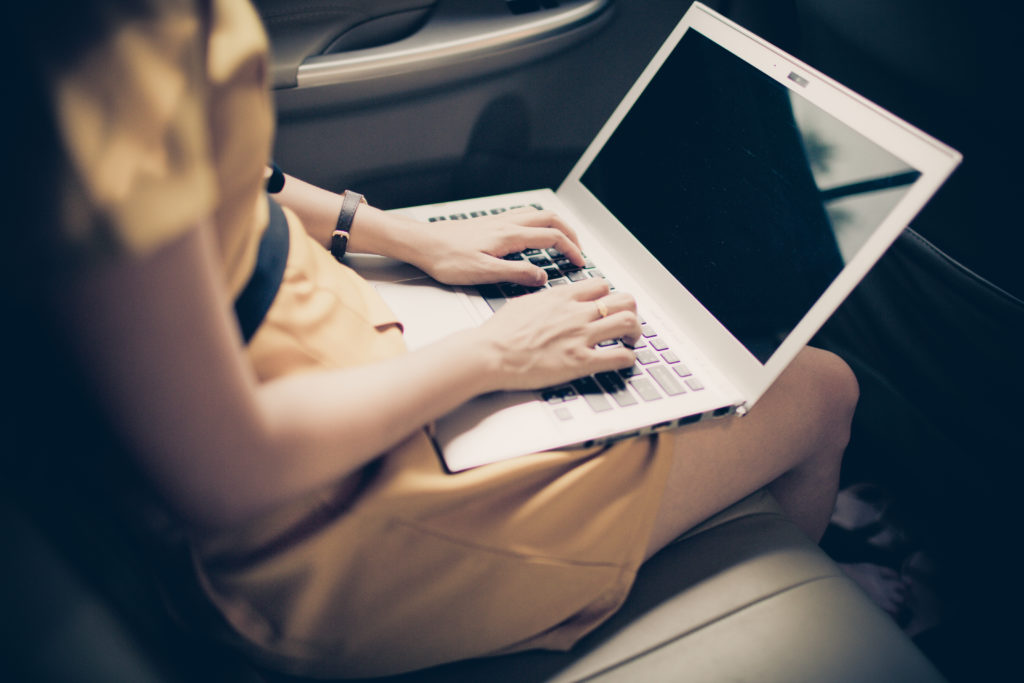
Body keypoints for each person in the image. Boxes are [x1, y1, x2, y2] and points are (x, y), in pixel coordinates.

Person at [13, 0, 857, 677]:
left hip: (347, 360)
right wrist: (495, 355)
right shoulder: (91, 57)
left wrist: (395, 234)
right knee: (822, 390)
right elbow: (225, 473)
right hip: (324, 528)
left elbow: (230, 180)